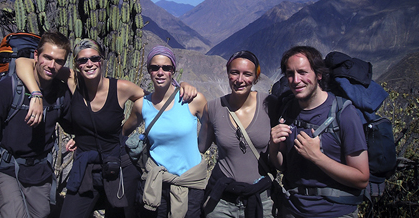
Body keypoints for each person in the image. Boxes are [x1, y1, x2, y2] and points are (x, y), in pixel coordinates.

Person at [16, 39, 197, 218]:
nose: (89, 64)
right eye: (82, 60)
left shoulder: (122, 88)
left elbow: (157, 99)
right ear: (77, 65)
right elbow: (23, 62)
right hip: (86, 167)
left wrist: (179, 86)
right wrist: (36, 94)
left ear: (101, 61)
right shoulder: (73, 81)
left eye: (94, 58)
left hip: (119, 166)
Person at [0, 31, 72, 218]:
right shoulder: (9, 88)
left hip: (39, 170)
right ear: (36, 56)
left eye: (59, 61)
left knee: (42, 214)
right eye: (47, 57)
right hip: (8, 168)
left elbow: (74, 125)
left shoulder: (60, 95)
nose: (51, 65)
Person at [269, 46, 369, 218]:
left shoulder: (343, 113)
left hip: (335, 212)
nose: (296, 80)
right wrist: (273, 146)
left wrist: (317, 156)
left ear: (319, 74)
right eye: (290, 74)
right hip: (292, 209)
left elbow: (361, 178)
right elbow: (283, 166)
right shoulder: (287, 109)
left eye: (303, 72)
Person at [123, 45, 208, 218]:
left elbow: (211, 127)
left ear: (173, 71)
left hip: (191, 184)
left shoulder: (192, 100)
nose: (160, 72)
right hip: (157, 184)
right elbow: (123, 131)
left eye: (166, 68)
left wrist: (200, 149)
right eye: (155, 68)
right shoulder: (142, 105)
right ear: (149, 71)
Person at [199, 50, 276, 218]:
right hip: (222, 201)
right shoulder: (212, 108)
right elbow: (200, 147)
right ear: (228, 74)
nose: (240, 80)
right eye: (235, 73)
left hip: (262, 200)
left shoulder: (270, 105)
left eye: (247, 74)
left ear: (256, 77)